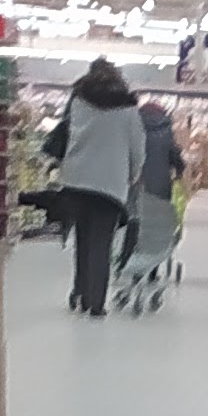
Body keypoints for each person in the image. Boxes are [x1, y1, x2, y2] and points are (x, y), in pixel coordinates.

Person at [49, 55, 144, 312]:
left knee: (82, 238)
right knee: (101, 242)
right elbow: (137, 147)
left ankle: (79, 291)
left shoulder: (78, 102)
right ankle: (95, 303)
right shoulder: (128, 109)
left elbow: (68, 134)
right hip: (110, 183)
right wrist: (133, 174)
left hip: (77, 179)